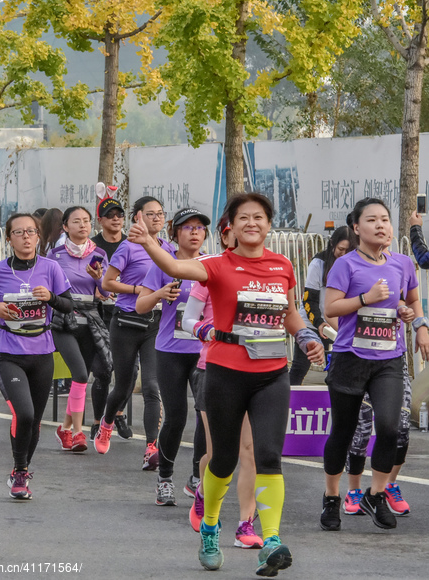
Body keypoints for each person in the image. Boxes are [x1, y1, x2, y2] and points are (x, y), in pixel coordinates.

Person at [128, 192, 324, 576]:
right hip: (224, 374)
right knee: (223, 459)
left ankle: (270, 541)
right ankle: (211, 527)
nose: (252, 223)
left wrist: (307, 339)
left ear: (269, 225)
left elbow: (292, 316)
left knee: (268, 456)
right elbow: (175, 267)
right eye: (243, 218)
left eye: (260, 217)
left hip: (272, 374)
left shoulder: (282, 265)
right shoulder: (216, 265)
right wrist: (149, 241)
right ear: (230, 227)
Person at [319, 197, 429, 532]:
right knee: (343, 431)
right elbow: (330, 310)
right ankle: (332, 497)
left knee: (391, 426)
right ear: (356, 228)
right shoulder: (346, 265)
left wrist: (418, 322)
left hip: (389, 360)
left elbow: (412, 299)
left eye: (385, 219)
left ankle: (376, 493)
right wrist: (367, 298)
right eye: (372, 220)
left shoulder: (401, 264)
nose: (381, 225)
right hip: (351, 358)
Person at [0, 213, 73, 499]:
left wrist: (50, 298)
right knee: (24, 413)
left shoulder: (50, 268)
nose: (26, 237)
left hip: (42, 353)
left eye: (31, 231)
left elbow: (69, 305)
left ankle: (24, 470)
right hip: (9, 353)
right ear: (9, 238)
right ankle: (18, 470)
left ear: (39, 236)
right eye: (19, 232)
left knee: (36, 420)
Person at [182, 214, 263, 549]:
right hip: (212, 368)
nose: (241, 234)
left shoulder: (266, 272)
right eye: (231, 230)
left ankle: (245, 524)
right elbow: (187, 320)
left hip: (258, 370)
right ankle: (204, 492)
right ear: (225, 235)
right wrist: (209, 331)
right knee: (219, 454)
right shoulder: (208, 272)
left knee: (250, 451)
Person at [136, 207, 209, 506]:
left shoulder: (212, 265)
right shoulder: (164, 264)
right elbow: (140, 305)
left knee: (206, 418)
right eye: (187, 227)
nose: (194, 232)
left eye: (199, 227)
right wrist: (159, 294)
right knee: (176, 417)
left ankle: (195, 478)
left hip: (204, 353)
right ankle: (164, 477)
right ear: (175, 233)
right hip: (171, 352)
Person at [96, 196, 171, 469]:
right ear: (138, 217)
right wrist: (138, 290)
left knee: (152, 386)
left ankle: (152, 447)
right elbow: (107, 283)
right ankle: (106, 422)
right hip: (126, 322)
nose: (157, 218)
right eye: (151, 214)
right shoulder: (128, 247)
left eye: (161, 213)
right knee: (124, 386)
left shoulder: (169, 248)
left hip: (156, 324)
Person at [49, 206, 111, 453]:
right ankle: (78, 432)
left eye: (86, 221)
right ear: (65, 227)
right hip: (63, 321)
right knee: (81, 375)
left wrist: (98, 278)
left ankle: (64, 428)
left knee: (80, 379)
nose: (83, 225)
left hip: (89, 321)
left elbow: (106, 292)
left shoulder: (99, 254)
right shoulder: (54, 256)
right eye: (76, 221)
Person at [288, 226, 356, 385]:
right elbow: (309, 300)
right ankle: (289, 403)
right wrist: (319, 323)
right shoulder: (319, 263)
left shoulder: (354, 265)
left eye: (349, 250)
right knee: (300, 367)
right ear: (332, 244)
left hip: (337, 325)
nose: (344, 254)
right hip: (313, 323)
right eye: (341, 249)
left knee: (337, 370)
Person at [90, 196, 132, 439]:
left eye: (120, 215)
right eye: (111, 215)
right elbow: (92, 274)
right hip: (101, 313)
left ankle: (118, 413)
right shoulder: (94, 247)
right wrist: (97, 287)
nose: (116, 219)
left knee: (129, 371)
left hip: (128, 312)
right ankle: (97, 421)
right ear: (101, 220)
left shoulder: (132, 245)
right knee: (103, 370)